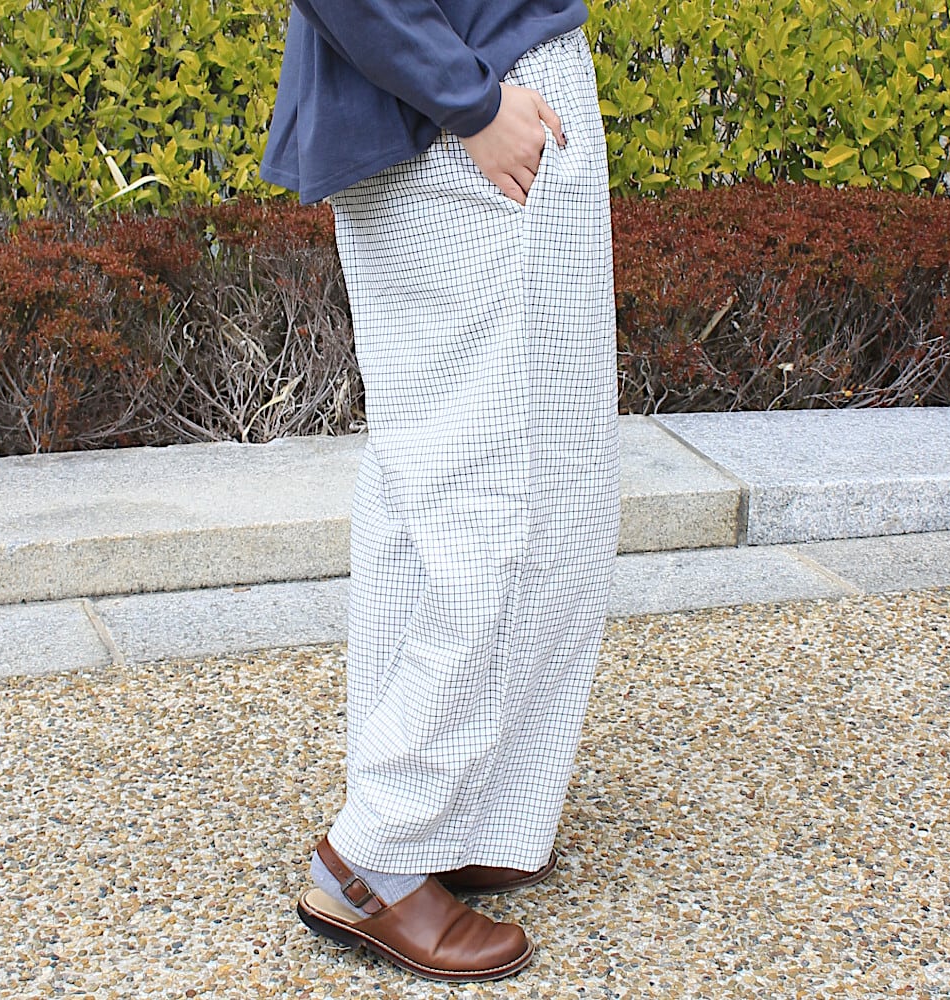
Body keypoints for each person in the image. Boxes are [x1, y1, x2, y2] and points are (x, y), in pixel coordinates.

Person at [260, 0, 620, 983]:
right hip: (454, 114)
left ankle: (464, 814)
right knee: (482, 508)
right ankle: (375, 857)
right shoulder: (468, 105)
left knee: (505, 493)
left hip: (482, 91)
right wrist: (471, 104)